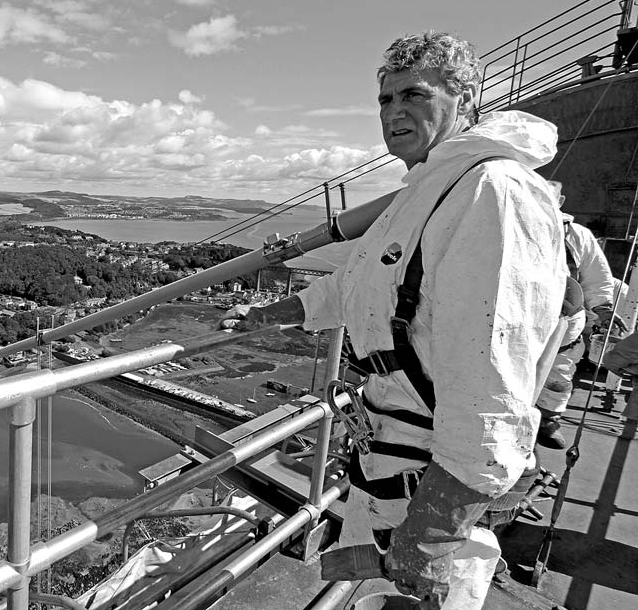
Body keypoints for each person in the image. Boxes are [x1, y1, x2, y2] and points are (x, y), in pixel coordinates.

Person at [221, 31, 565, 609]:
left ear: (467, 98)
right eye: (384, 99)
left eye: (414, 94)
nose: (393, 111)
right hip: (396, 460)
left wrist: (432, 534)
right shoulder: (430, 188)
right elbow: (367, 285)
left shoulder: (491, 192)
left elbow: (493, 382)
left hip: (430, 480)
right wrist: (278, 312)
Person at [535, 191, 619, 449]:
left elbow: (597, 275)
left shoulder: (577, 235)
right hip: (519, 321)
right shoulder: (512, 225)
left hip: (565, 324)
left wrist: (604, 310)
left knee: (558, 375)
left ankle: (547, 421)